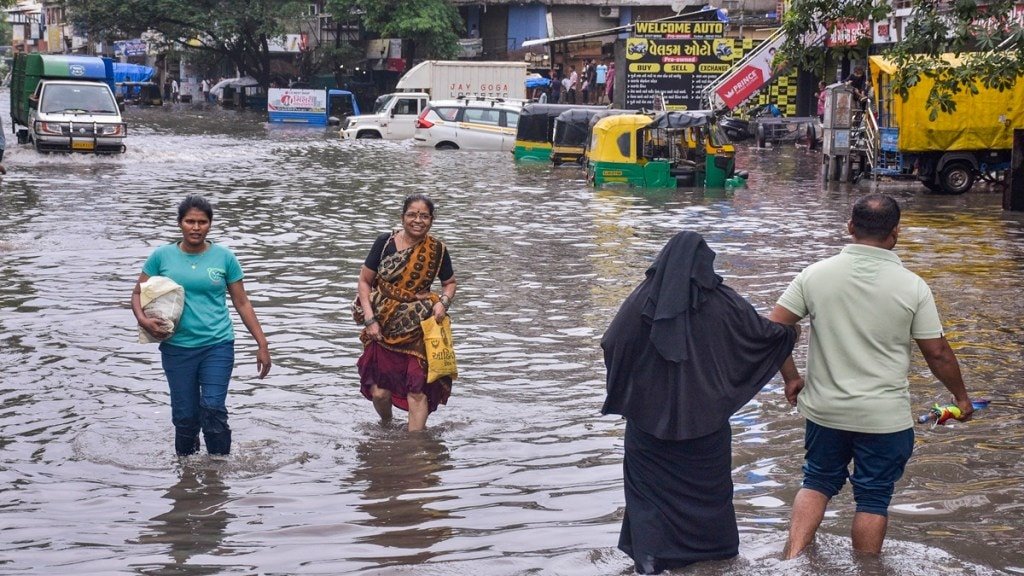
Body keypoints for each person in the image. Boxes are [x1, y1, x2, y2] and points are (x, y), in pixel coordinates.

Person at [768, 193, 973, 559]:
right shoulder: (912, 286)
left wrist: (791, 377)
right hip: (883, 418)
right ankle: (866, 570)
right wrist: (960, 398)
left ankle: (791, 560)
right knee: (874, 496)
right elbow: (937, 352)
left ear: (850, 227)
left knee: (816, 481)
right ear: (896, 233)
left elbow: (771, 332)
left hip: (826, 411)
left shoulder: (814, 275)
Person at [602, 231, 799, 575]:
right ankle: (716, 560)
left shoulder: (640, 302)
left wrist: (635, 390)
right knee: (708, 497)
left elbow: (611, 343)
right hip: (705, 423)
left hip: (647, 424)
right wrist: (791, 335)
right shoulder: (724, 302)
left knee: (649, 499)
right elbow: (761, 337)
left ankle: (650, 560)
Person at [132, 195, 272, 456]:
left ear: (210, 225)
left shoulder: (224, 257)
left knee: (213, 407)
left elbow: (242, 303)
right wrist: (143, 320)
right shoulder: (161, 257)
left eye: (202, 222)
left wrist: (262, 343)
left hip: (217, 345)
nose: (195, 227)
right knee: (185, 417)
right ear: (180, 224)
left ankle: (218, 470)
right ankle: (186, 476)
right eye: (190, 221)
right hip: (177, 347)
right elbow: (137, 294)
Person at [355, 194, 456, 432]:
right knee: (380, 393)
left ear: (432, 220)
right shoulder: (384, 243)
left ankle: (415, 449)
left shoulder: (437, 250)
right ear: (402, 217)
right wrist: (370, 320)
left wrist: (444, 302)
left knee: (417, 390)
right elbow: (364, 281)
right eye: (412, 214)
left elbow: (449, 282)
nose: (417, 220)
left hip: (419, 327)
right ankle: (386, 425)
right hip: (383, 325)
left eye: (424, 216)